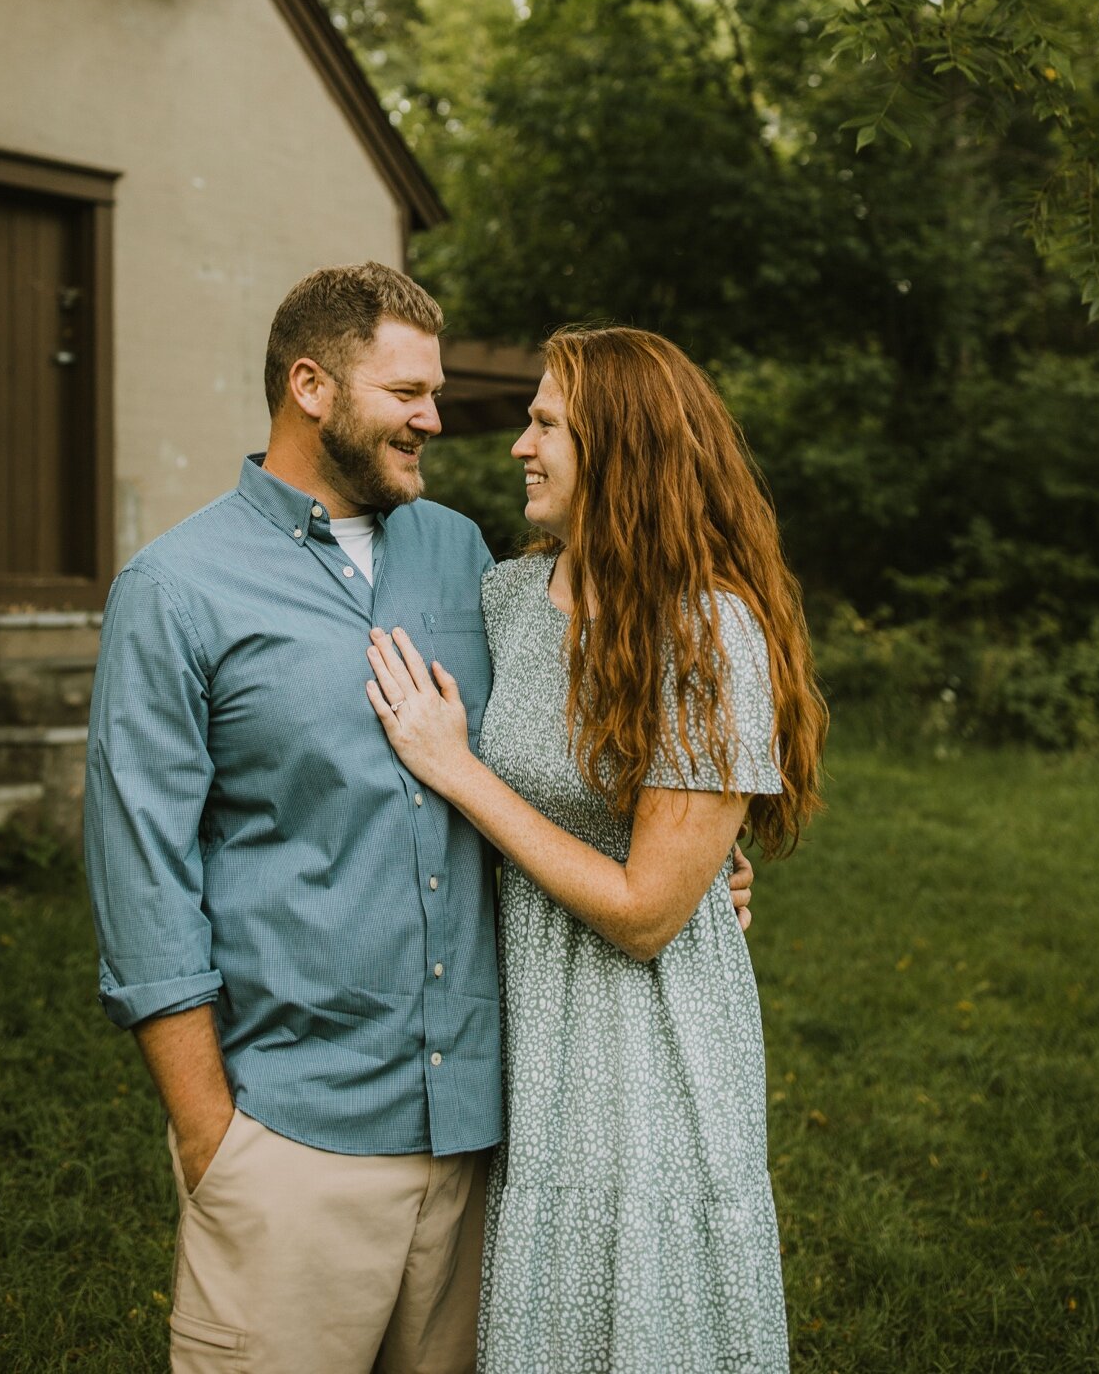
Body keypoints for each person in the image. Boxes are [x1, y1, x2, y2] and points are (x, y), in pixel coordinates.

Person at [83, 260, 764, 1374]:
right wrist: (217, 1144)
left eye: (435, 393)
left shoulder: (463, 558)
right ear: (311, 386)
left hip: (488, 1139)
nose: (437, 420)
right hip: (295, 1141)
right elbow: (140, 884)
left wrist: (700, 862)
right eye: (406, 394)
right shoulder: (174, 590)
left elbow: (573, 739)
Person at [365, 324, 826, 1374]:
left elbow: (648, 911)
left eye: (545, 423)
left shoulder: (708, 634)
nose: (519, 445)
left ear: (621, 447)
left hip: (646, 1051)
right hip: (523, 1029)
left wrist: (461, 770)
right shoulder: (506, 601)